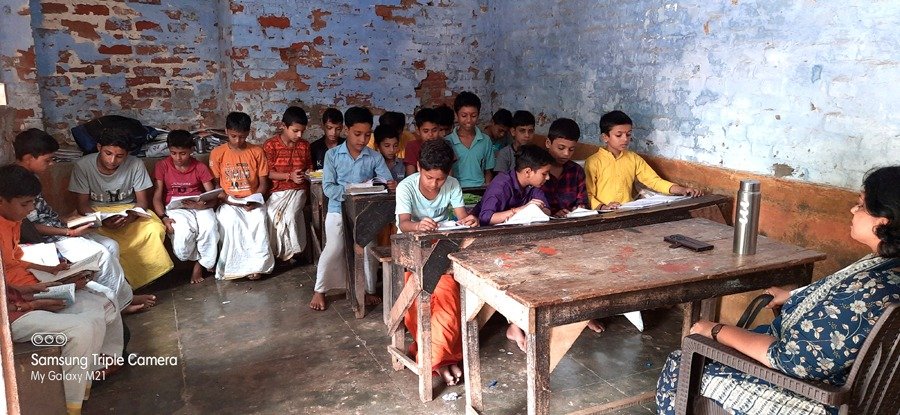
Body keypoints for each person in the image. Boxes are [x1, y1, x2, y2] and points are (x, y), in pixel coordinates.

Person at [656, 165, 900, 415]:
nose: (853, 210)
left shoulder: (872, 290)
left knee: (683, 365)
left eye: (860, 205)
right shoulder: (887, 268)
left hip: (815, 396)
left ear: (884, 219)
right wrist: (793, 296)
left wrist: (717, 330)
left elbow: (789, 359)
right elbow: (837, 296)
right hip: (844, 382)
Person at [1, 164, 125, 415]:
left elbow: (14, 262)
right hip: (13, 312)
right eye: (25, 204)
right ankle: (69, 405)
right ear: (1, 201)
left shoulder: (11, 220)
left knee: (97, 307)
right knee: (81, 329)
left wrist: (54, 273)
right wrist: (33, 300)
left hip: (24, 293)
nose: (31, 210)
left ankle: (85, 383)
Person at [14, 128, 154, 313]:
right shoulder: (17, 185)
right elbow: (29, 227)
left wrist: (68, 219)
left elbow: (43, 215)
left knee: (111, 245)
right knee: (102, 255)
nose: (51, 164)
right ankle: (121, 304)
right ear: (28, 158)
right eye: (47, 160)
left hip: (57, 229)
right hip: (48, 239)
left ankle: (119, 297)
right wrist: (69, 231)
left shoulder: (30, 177)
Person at [396, 139, 478, 386]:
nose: (434, 184)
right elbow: (403, 223)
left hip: (440, 249)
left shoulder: (452, 184)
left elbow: (461, 217)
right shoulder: (406, 187)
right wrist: (418, 226)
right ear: (419, 167)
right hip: (411, 251)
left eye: (440, 179)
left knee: (449, 297)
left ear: (448, 173)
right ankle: (441, 360)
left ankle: (438, 359)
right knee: (422, 298)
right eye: (429, 177)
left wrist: (469, 221)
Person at [310, 106, 396, 311]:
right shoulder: (332, 155)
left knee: (369, 246)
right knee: (334, 247)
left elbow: (386, 181)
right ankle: (320, 290)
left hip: (365, 212)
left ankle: (367, 289)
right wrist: (351, 193)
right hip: (337, 209)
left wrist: (390, 185)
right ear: (347, 130)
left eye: (367, 135)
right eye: (357, 134)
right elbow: (328, 188)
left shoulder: (374, 157)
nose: (362, 140)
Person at [471, 145, 553, 350]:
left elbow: (546, 209)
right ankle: (515, 324)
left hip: (516, 242)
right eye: (544, 173)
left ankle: (518, 323)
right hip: (488, 244)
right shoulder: (501, 184)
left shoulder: (533, 186)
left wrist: (536, 208)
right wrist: (519, 210)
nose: (548, 177)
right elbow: (486, 218)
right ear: (528, 172)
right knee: (516, 270)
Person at [68, 129, 173, 289]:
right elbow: (82, 205)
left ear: (127, 154)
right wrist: (101, 221)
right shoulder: (83, 166)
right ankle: (122, 282)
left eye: (119, 156)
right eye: (108, 153)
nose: (112, 160)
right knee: (92, 235)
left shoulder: (135, 164)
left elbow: (142, 202)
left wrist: (130, 217)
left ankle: (144, 278)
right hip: (96, 212)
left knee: (154, 228)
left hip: (129, 210)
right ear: (99, 147)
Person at [584, 110, 701, 210]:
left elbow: (654, 181)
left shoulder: (633, 158)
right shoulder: (593, 162)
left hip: (627, 210)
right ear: (605, 137)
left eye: (628, 134)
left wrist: (682, 190)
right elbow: (588, 194)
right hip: (602, 214)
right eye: (619, 135)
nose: (625, 139)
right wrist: (603, 207)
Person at [210, 111, 274, 280]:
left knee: (258, 220)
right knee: (230, 222)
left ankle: (257, 267)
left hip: (252, 200)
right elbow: (216, 185)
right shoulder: (217, 153)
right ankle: (234, 268)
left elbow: (263, 183)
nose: (238, 141)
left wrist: (255, 200)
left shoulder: (257, 151)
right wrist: (227, 199)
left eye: (243, 137)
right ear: (226, 131)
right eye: (234, 136)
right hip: (228, 201)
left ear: (248, 133)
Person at [152, 130, 219, 284]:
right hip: (176, 208)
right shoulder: (162, 166)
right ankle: (201, 259)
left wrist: (202, 205)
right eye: (173, 153)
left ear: (191, 150)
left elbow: (212, 196)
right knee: (183, 232)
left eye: (183, 153)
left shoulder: (200, 167)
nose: (178, 158)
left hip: (199, 206)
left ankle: (199, 265)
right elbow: (157, 196)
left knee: (209, 226)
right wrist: (163, 217)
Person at [263, 106, 312, 263]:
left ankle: (295, 252)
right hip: (277, 191)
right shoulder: (271, 145)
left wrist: (306, 174)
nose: (299, 135)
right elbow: (268, 173)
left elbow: (310, 168)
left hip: (299, 190)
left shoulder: (304, 145)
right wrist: (289, 176)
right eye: (295, 131)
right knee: (270, 213)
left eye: (302, 131)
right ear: (283, 126)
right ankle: (278, 253)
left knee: (290, 215)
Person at [444, 91, 496, 187]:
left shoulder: (485, 140)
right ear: (456, 115)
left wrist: (487, 189)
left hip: (480, 189)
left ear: (478, 115)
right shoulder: (447, 141)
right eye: (464, 116)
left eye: (473, 116)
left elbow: (488, 171)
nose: (469, 120)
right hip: (455, 190)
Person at [541, 118, 588, 217]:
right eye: (561, 148)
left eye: (571, 149)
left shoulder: (576, 171)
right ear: (548, 143)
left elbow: (582, 201)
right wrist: (553, 213)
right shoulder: (536, 171)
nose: (566, 154)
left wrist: (578, 209)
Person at [403, 107, 441, 176]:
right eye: (426, 131)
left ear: (439, 128)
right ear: (418, 131)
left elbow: (449, 175)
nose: (430, 134)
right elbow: (410, 176)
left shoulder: (445, 145)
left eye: (434, 130)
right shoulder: (412, 146)